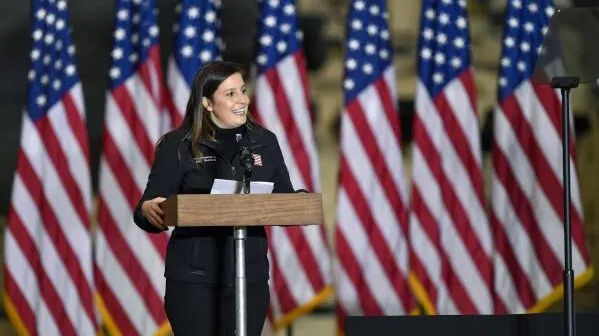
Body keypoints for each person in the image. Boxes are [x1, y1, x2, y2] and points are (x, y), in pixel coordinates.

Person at [133, 61, 294, 335]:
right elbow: (146, 210)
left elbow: (285, 200)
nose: (242, 99)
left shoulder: (264, 141)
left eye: (242, 91)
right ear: (207, 103)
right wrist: (149, 209)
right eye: (230, 94)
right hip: (195, 281)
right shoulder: (179, 144)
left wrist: (297, 201)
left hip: (249, 278)